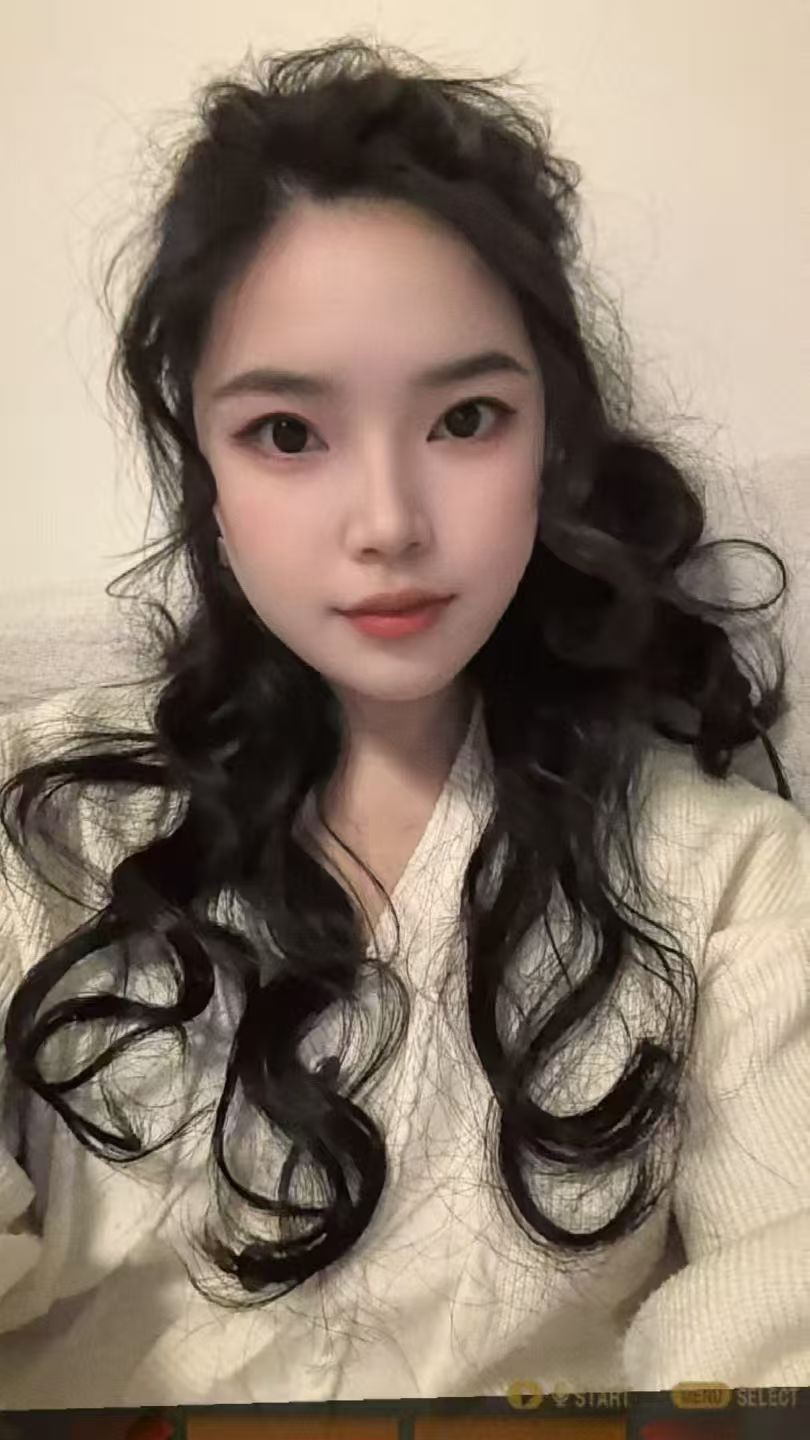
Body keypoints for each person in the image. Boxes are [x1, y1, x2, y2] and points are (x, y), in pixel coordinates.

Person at [0, 36, 808, 1409]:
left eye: (466, 417)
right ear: (203, 465)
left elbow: (778, 1325)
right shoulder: (40, 823)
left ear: (552, 442)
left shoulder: (729, 880)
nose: (386, 523)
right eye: (287, 434)